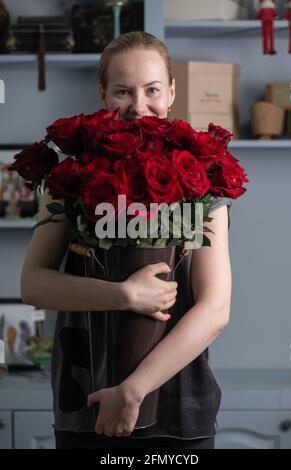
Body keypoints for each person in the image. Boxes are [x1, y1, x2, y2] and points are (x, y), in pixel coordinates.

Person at [20, 31, 232, 450]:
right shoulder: (71, 179)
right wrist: (126, 296)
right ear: (102, 94)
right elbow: (33, 284)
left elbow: (215, 308)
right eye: (123, 91)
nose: (138, 107)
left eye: (152, 89)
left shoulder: (200, 179)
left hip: (179, 409)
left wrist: (134, 390)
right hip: (85, 400)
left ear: (171, 92)